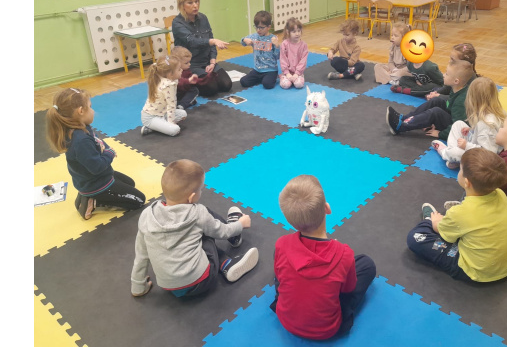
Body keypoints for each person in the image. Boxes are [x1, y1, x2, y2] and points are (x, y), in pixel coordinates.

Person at [130, 159, 259, 298]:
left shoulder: (147, 215)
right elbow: (221, 232)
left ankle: (227, 255)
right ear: (191, 197)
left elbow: (141, 254)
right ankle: (227, 260)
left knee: (198, 228)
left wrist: (138, 285)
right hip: (202, 280)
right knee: (206, 224)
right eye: (200, 189)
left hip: (171, 287)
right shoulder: (197, 213)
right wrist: (240, 224)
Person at [270, 175, 376, 340]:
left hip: (285, 319)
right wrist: (338, 253)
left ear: (290, 221)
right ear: (327, 208)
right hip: (327, 329)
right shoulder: (344, 254)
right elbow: (347, 290)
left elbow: (278, 276)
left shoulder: (281, 244)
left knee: (281, 262)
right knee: (366, 264)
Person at [406, 148, 507, 282]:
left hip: (477, 272)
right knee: (467, 200)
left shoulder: (459, 213)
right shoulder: (501, 194)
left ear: (466, 182)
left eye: (460, 169)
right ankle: (455, 225)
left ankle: (429, 219)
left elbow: (440, 231)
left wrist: (435, 221)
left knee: (415, 237)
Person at [46, 88, 146, 220]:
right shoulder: (80, 140)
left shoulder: (79, 126)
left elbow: (97, 140)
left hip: (92, 178)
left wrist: (106, 148)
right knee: (139, 200)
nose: (93, 111)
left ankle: (87, 196)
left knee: (130, 183)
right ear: (81, 111)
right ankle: (95, 200)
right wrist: (109, 154)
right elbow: (97, 167)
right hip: (96, 184)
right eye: (90, 106)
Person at [385, 59, 475, 140]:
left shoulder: (461, 101)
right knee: (436, 101)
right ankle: (404, 118)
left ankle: (400, 127)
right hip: (452, 116)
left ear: (456, 81)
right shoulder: (456, 88)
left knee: (436, 112)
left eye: (447, 74)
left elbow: (458, 128)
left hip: (454, 128)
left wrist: (440, 134)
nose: (443, 75)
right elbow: (449, 104)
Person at [431, 77, 505, 169]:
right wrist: (472, 129)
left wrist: (467, 145)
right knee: (458, 124)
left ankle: (445, 153)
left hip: (483, 159)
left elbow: (488, 153)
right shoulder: (492, 113)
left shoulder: (486, 123)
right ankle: (454, 157)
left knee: (455, 153)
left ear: (472, 99)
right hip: (477, 145)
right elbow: (486, 135)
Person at [172, 0, 232, 97]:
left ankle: (199, 79)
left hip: (207, 61)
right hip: (191, 64)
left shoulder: (203, 18)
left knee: (226, 85)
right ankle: (187, 83)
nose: (195, 5)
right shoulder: (177, 23)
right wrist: (212, 41)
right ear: (182, 5)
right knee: (212, 89)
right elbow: (192, 41)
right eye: (190, 3)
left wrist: (212, 62)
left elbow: (211, 40)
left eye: (196, 1)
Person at [140, 55, 187, 137]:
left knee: (183, 114)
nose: (182, 70)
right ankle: (151, 126)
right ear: (170, 74)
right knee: (175, 130)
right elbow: (171, 105)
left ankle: (157, 126)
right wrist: (171, 124)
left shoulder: (166, 77)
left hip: (162, 113)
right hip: (150, 117)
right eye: (179, 69)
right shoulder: (168, 85)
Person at [240, 10, 281, 89]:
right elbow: (242, 42)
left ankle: (271, 77)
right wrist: (244, 40)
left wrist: (277, 46)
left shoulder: (273, 38)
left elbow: (278, 57)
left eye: (261, 27)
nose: (258, 30)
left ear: (268, 27)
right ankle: (261, 78)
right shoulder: (254, 36)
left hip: (270, 70)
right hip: (257, 70)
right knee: (243, 82)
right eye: (256, 27)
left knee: (267, 85)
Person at [279, 17, 308, 89]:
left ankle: (299, 77)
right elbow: (283, 60)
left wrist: (297, 74)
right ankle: (282, 76)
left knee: (299, 84)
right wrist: (287, 73)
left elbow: (303, 61)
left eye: (299, 31)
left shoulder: (304, 45)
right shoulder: (284, 44)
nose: (297, 34)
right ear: (288, 32)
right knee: (285, 85)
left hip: (298, 73)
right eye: (294, 32)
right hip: (287, 73)